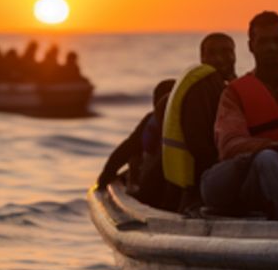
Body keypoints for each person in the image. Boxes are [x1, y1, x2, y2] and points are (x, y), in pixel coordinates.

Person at [202, 10, 278, 219]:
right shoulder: (233, 93)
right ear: (251, 45)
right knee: (268, 159)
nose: (271, 47)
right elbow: (230, 146)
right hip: (249, 177)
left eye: (277, 41)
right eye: (264, 42)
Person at [159, 33, 238, 201]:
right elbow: (198, 144)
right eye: (212, 53)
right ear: (202, 57)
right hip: (198, 184)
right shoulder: (201, 88)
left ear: (235, 55)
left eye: (226, 51)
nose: (219, 58)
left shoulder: (229, 86)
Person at [99, 78, 178, 209]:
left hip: (154, 190)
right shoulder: (154, 121)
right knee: (135, 155)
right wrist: (105, 176)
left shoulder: (152, 120)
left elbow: (126, 149)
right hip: (169, 187)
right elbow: (127, 149)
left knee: (135, 156)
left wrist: (104, 179)